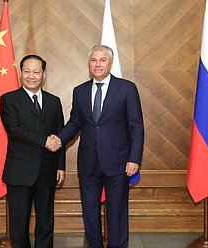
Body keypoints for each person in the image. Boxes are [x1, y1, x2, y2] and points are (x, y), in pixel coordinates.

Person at [51, 45, 144, 248]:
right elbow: (75, 123)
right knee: (90, 213)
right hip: (88, 164)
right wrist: (59, 139)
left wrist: (134, 158)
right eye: (94, 60)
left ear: (110, 63)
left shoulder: (127, 88)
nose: (97, 64)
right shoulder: (80, 91)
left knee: (116, 212)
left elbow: (136, 126)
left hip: (119, 163)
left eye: (102, 60)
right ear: (89, 63)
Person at [0, 54, 65, 248]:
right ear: (21, 73)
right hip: (19, 171)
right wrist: (45, 140)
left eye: (36, 72)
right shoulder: (9, 99)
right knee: (19, 225)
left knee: (45, 221)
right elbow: (15, 129)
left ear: (44, 75)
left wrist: (60, 166)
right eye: (27, 71)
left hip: (47, 170)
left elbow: (59, 134)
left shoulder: (54, 101)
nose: (31, 76)